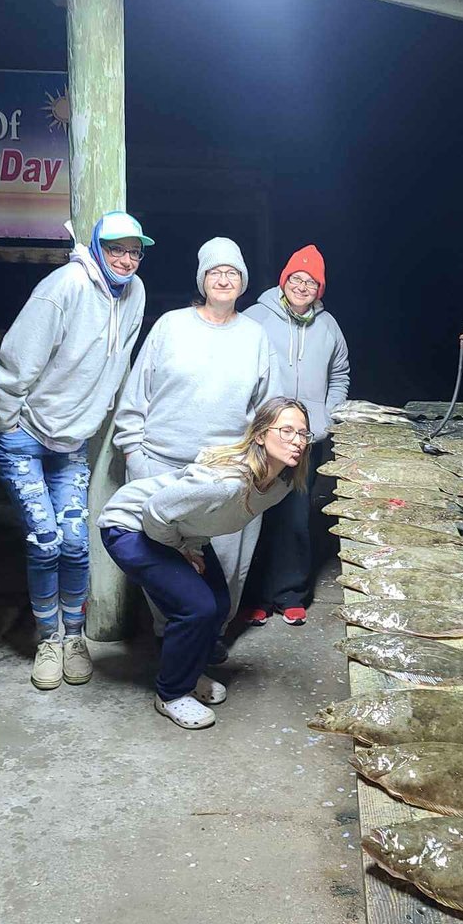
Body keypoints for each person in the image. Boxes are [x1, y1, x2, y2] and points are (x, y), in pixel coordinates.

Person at [0, 211, 153, 691]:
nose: (126, 259)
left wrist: (95, 416)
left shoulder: (134, 294)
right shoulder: (64, 287)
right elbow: (16, 359)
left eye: (135, 251)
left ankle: (75, 637)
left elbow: (117, 362)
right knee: (45, 538)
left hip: (71, 438)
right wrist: (5, 419)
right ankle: (48, 639)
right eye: (117, 249)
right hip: (23, 433)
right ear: (98, 247)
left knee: (77, 541)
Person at [99, 398, 311, 728]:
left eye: (302, 433)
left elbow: (200, 519)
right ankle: (170, 694)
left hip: (176, 532)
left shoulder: (279, 486)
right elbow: (154, 512)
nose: (296, 441)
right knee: (196, 607)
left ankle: (187, 672)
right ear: (259, 435)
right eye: (286, 431)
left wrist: (191, 545)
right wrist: (183, 551)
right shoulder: (225, 482)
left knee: (219, 604)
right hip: (128, 526)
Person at [113, 236, 272, 648]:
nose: (224, 279)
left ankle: (213, 635)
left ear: (243, 281)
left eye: (232, 272)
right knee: (169, 564)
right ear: (202, 280)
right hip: (164, 466)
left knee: (229, 565)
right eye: (215, 271)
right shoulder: (171, 325)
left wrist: (255, 466)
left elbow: (265, 406)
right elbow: (137, 396)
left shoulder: (255, 335)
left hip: (228, 471)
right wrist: (135, 455)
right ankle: (174, 637)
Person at [241, 245, 349, 626]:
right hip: (265, 438)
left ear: (320, 289)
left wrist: (328, 415)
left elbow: (340, 374)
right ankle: (253, 597)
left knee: (297, 518)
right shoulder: (256, 317)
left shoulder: (328, 326)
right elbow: (241, 369)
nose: (303, 286)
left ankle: (290, 594)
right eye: (296, 279)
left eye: (311, 282)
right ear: (284, 280)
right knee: (256, 516)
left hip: (307, 440)